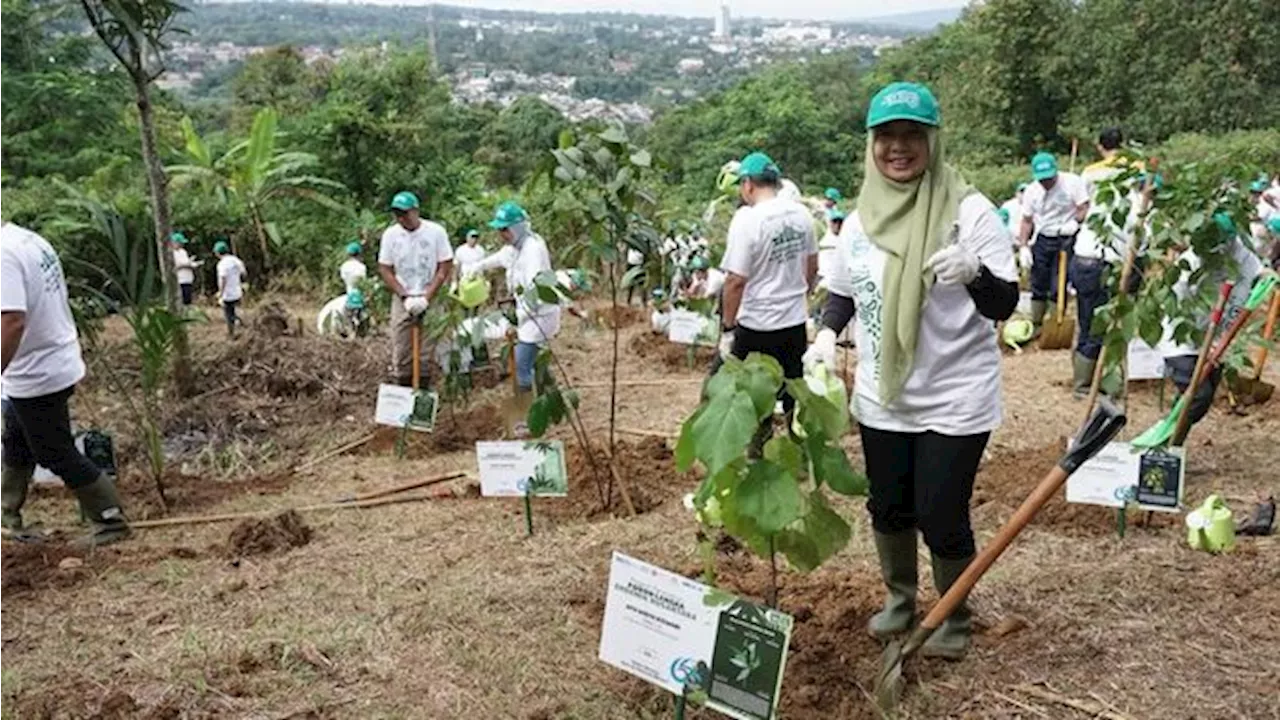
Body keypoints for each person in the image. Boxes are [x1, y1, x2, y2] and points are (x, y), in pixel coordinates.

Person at [807, 82, 1018, 659]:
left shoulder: (968, 211)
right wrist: (827, 334)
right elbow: (844, 293)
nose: (899, 147)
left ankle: (952, 618)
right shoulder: (858, 221)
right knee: (888, 504)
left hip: (955, 394)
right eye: (887, 136)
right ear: (872, 144)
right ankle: (900, 600)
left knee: (941, 511)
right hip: (883, 394)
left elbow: (1005, 304)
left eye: (912, 135)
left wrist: (975, 272)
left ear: (933, 140)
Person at [0, 222, 129, 546]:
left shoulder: (2, 255)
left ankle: (109, 520)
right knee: (16, 439)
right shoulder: (24, 238)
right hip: (47, 359)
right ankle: (6, 516)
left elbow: (12, 320)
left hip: (38, 370)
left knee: (54, 451)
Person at [717, 151, 817, 419]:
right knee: (793, 392)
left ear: (748, 184)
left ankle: (756, 449)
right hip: (794, 323)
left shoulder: (748, 220)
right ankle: (795, 450)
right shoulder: (802, 215)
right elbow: (812, 267)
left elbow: (735, 281)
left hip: (757, 325)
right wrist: (795, 295)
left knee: (746, 396)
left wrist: (728, 329)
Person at [1158, 214, 1266, 427]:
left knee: (1200, 399)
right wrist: (1202, 346)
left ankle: (1174, 440)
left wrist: (1268, 278)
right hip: (1184, 342)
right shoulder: (1189, 264)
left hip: (1217, 337)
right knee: (1198, 395)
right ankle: (1167, 436)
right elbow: (1178, 314)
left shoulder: (1239, 250)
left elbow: (1259, 272)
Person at [463, 202, 561, 399]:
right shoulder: (514, 247)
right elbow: (499, 258)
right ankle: (548, 398)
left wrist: (518, 319)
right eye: (500, 230)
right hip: (526, 313)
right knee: (534, 362)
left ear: (517, 228)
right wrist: (477, 267)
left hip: (539, 315)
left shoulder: (532, 249)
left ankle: (528, 411)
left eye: (505, 229)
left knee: (522, 366)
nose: (502, 234)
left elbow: (534, 290)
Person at [1071, 127, 1142, 398]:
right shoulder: (1137, 168)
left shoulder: (1089, 173)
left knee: (1090, 323)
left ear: (1101, 146)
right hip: (1122, 256)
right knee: (1118, 325)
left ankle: (1083, 385)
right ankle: (1109, 382)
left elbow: (1082, 209)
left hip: (1089, 253)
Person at [377, 191, 454, 387]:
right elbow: (385, 269)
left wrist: (427, 297)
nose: (401, 218)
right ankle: (403, 389)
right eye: (397, 215)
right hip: (403, 297)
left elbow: (444, 265)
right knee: (402, 347)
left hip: (431, 295)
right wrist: (404, 296)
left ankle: (424, 392)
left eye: (405, 213)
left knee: (428, 348)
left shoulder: (435, 232)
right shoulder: (391, 235)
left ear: (415, 211)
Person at [1018, 152, 1089, 337]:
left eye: (1049, 178)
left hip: (1066, 236)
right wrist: (1023, 246)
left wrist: (1076, 222)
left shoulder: (1072, 183)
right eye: (1042, 180)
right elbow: (1027, 220)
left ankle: (1056, 320)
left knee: (1059, 282)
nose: (1046, 183)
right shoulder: (1032, 191)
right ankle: (1037, 324)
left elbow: (1084, 207)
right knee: (1038, 281)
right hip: (1044, 237)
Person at [215, 241, 247, 337]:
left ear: (217, 253)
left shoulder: (222, 264)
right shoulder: (236, 260)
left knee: (228, 313)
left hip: (228, 293)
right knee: (233, 309)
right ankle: (238, 322)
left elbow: (222, 279)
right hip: (237, 290)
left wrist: (220, 292)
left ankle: (231, 333)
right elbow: (244, 272)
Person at [170, 232, 201, 306]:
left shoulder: (183, 252)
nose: (182, 245)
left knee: (188, 299)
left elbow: (187, 262)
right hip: (180, 280)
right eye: (180, 243)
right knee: (182, 300)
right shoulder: (172, 253)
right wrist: (187, 264)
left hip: (188, 279)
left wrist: (194, 263)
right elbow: (178, 265)